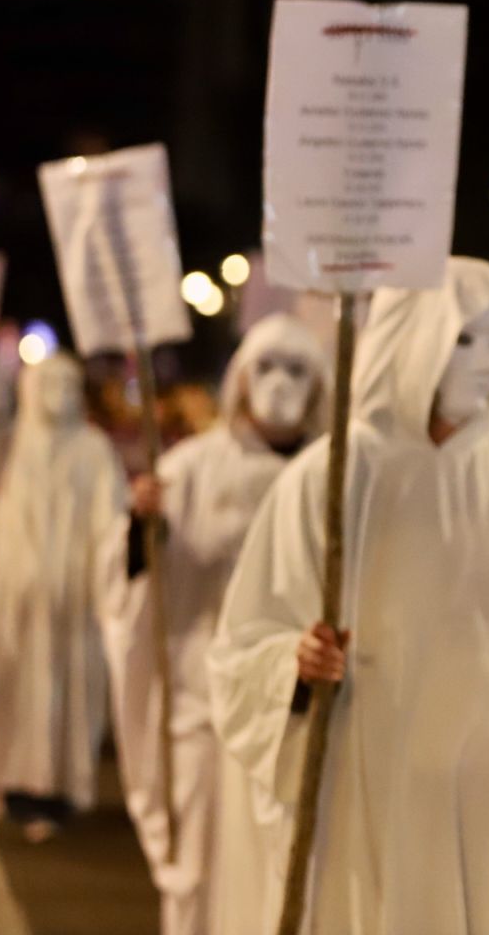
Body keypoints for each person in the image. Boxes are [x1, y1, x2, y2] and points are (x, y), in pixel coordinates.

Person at [207, 257, 489, 934]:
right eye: (462, 338)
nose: (484, 362)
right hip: (382, 798)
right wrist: (295, 665)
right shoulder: (333, 475)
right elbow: (247, 642)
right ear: (412, 334)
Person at [99, 315, 330, 935]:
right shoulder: (191, 466)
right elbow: (132, 582)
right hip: (202, 697)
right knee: (198, 855)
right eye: (268, 366)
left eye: (297, 368)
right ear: (241, 377)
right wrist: (146, 527)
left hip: (299, 706)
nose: (280, 383)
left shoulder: (334, 474)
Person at [0, 353, 122, 840]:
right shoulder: (10, 448)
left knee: (65, 694)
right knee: (15, 688)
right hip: (16, 602)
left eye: (68, 381)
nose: (58, 390)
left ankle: (57, 791)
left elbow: (110, 522)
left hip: (72, 606)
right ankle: (12, 782)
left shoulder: (94, 450)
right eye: (49, 381)